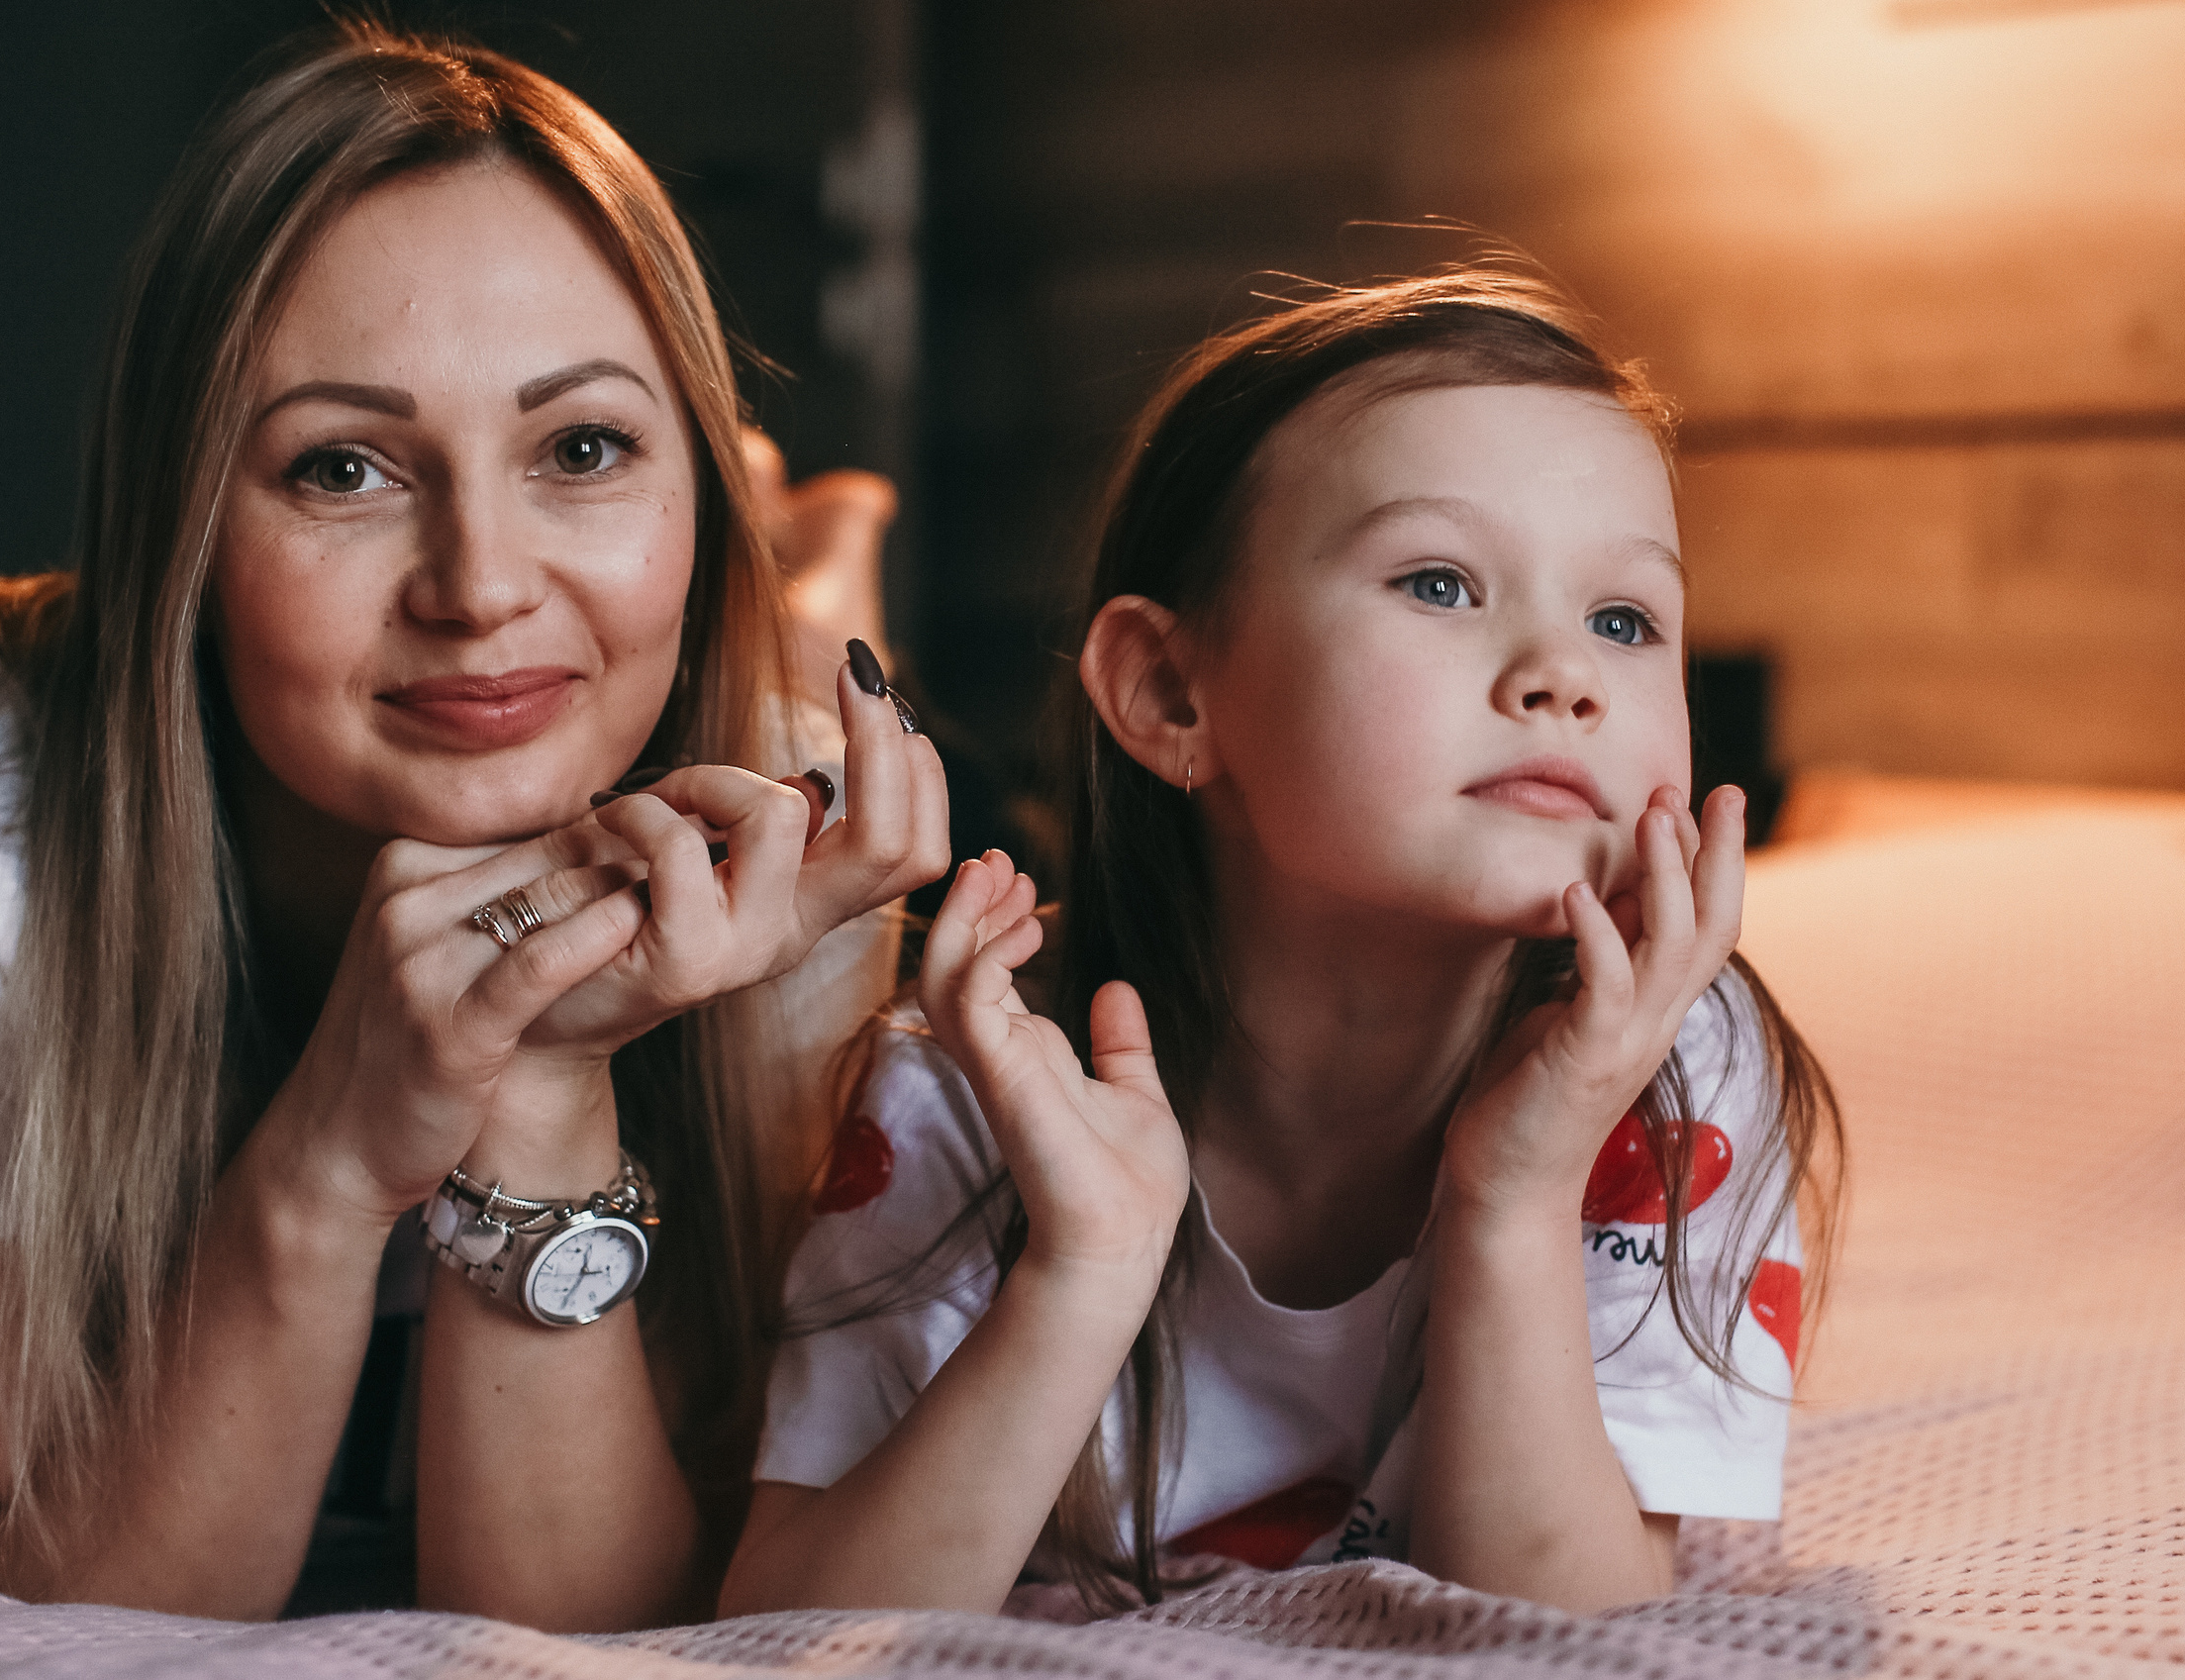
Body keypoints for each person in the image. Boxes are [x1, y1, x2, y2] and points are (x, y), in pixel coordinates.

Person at [0, 20, 946, 1630]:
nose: (478, 585)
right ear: (184, 522)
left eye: (583, 447)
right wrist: (337, 1143)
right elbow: (14, 1616)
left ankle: (806, 564)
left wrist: (543, 1070)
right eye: (341, 468)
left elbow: (571, 1636)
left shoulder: (777, 837)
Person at [721, 271, 1843, 1619]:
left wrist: (1518, 1190)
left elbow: (1568, 1634)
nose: (1567, 675)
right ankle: (804, 589)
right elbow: (788, 1630)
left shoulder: (1669, 1065)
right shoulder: (976, 1076)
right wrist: (1081, 1267)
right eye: (1440, 583)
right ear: (1169, 691)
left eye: (1625, 619)